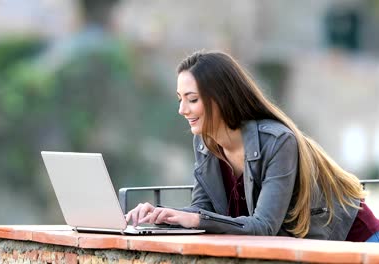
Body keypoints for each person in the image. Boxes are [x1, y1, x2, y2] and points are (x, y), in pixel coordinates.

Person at [125, 50, 379, 241]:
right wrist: (161, 216)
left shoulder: (278, 142)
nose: (182, 110)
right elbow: (202, 211)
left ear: (220, 99)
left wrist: (196, 218)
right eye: (180, 99)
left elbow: (264, 226)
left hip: (356, 239)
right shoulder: (205, 143)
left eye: (192, 99)